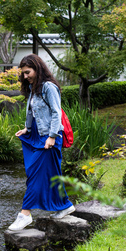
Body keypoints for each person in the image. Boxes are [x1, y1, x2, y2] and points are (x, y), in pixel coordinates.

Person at [8, 54, 75, 231]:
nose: (25, 76)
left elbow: (56, 112)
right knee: (50, 174)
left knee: (35, 175)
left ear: (38, 69)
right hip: (37, 135)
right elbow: (31, 112)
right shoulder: (33, 88)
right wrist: (27, 129)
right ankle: (65, 206)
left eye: (28, 72)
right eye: (23, 73)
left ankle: (25, 215)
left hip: (49, 136)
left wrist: (52, 136)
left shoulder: (48, 87)